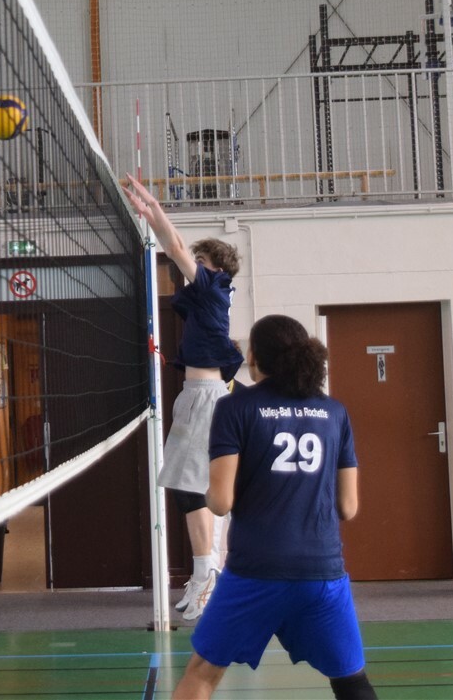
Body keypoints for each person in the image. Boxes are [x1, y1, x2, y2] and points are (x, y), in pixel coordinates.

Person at [172, 314, 376, 700]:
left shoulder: (235, 408)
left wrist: (205, 487)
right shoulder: (335, 412)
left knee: (202, 674)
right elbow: (348, 507)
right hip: (321, 573)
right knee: (352, 681)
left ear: (254, 357)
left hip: (255, 571)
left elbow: (220, 503)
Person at [121, 175, 244, 622]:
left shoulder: (212, 288)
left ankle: (205, 573)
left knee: (190, 489)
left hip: (205, 398)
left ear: (215, 268)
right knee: (198, 487)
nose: (192, 265)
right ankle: (211, 571)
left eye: (200, 261)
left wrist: (151, 208)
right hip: (200, 396)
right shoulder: (206, 300)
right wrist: (150, 220)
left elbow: (174, 246)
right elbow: (174, 252)